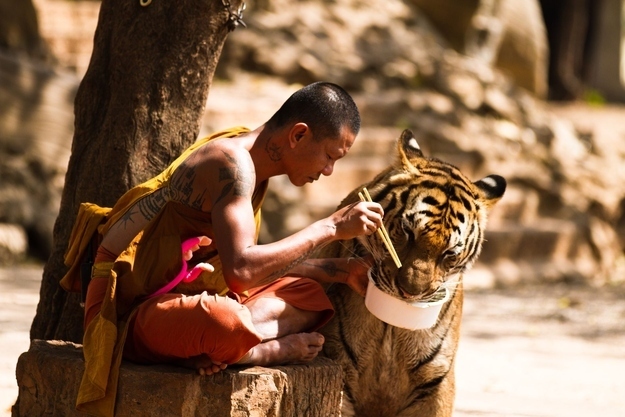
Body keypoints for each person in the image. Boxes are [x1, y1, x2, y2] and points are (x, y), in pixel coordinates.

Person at [60, 81, 384, 415]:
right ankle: (257, 351)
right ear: (298, 135)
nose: (329, 171)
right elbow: (243, 272)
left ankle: (219, 345)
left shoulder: (256, 166)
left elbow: (243, 261)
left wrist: (340, 271)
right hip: (129, 309)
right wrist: (330, 227)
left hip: (189, 293)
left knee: (311, 296)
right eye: (330, 156)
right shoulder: (231, 164)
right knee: (222, 322)